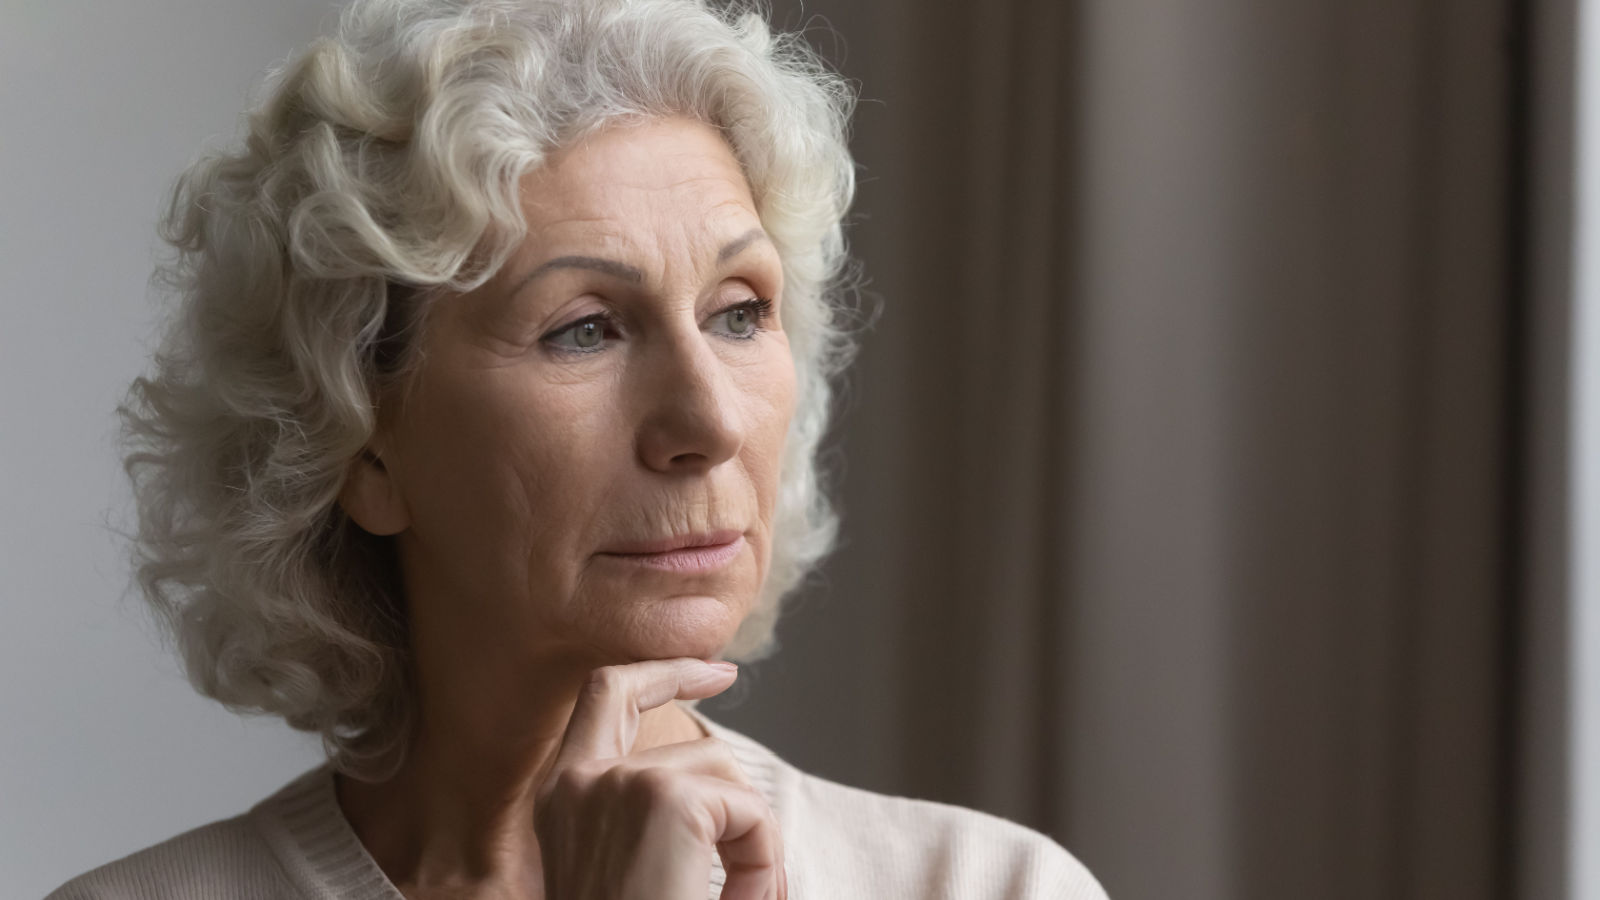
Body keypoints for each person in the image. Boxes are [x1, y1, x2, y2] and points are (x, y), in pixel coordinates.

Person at [48, 0, 1109, 897]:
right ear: (362, 447)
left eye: (739, 312)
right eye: (585, 329)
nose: (710, 422)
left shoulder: (986, 885)